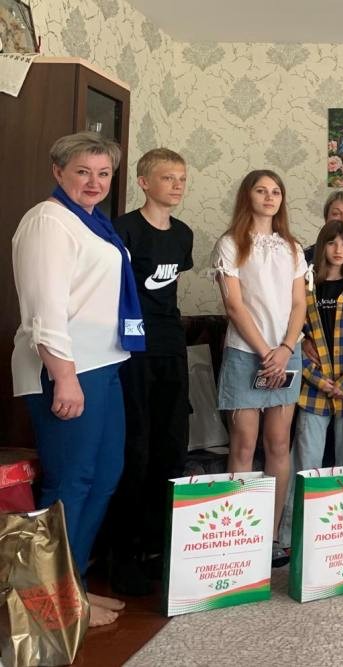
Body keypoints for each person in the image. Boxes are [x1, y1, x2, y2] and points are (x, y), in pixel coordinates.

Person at [11, 132, 139, 626]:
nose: (94, 182)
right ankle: (47, 606)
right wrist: (63, 375)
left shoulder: (94, 224)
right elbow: (44, 307)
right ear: (58, 171)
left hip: (103, 364)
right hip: (66, 368)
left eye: (103, 173)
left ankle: (73, 589)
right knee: (70, 482)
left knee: (102, 478)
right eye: (83, 171)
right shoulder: (48, 221)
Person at [106, 148, 194, 596]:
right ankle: (124, 553)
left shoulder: (183, 234)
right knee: (135, 449)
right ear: (144, 182)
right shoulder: (124, 229)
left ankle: (162, 547)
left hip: (170, 347)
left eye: (181, 178)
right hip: (133, 350)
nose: (176, 185)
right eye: (167, 178)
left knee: (171, 447)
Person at [210, 170, 306, 569]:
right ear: (246, 195)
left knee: (279, 445)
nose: (269, 197)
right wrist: (267, 351)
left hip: (286, 353)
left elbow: (299, 304)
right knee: (244, 446)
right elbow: (234, 305)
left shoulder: (293, 247)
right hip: (246, 352)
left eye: (276, 191)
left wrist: (285, 349)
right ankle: (240, 536)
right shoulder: (231, 243)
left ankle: (270, 536)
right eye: (261, 190)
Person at [278, 220, 343, 547]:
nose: (338, 250)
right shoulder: (304, 287)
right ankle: (291, 537)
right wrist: (317, 378)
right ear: (321, 246)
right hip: (314, 389)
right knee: (304, 463)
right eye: (332, 243)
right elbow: (292, 334)